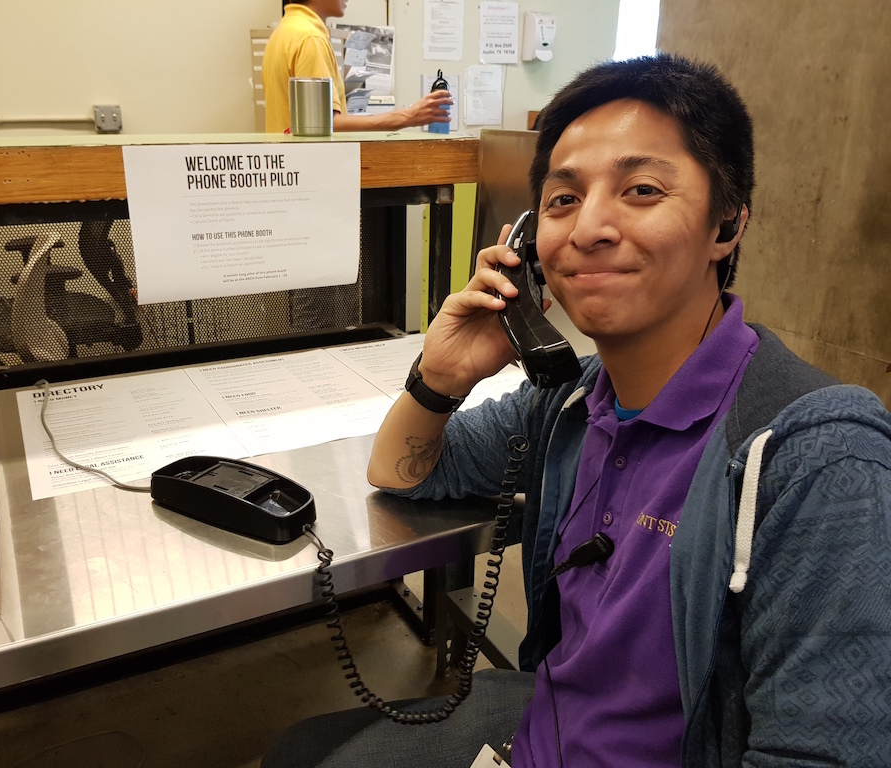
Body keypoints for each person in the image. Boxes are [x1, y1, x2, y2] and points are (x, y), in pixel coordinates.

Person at [261, 53, 891, 766]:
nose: (589, 227)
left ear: (726, 224)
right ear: (528, 246)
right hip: (534, 736)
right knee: (297, 750)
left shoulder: (818, 459)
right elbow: (404, 472)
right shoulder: (571, 400)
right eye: (563, 200)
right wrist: (442, 375)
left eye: (641, 190)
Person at [262, 0, 452, 133]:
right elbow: (325, 124)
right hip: (310, 171)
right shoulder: (310, 38)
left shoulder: (284, 31)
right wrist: (408, 116)